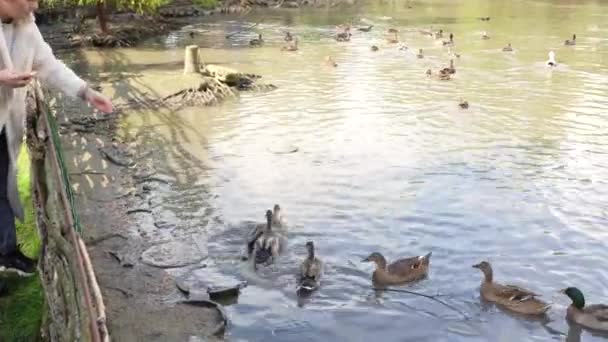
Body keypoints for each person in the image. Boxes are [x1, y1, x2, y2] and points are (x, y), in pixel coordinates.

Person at [0, 0, 113, 276]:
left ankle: (6, 253)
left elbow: (49, 65)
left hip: (4, 124)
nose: (35, 5)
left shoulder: (26, 26)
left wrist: (86, 92)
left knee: (1, 186)